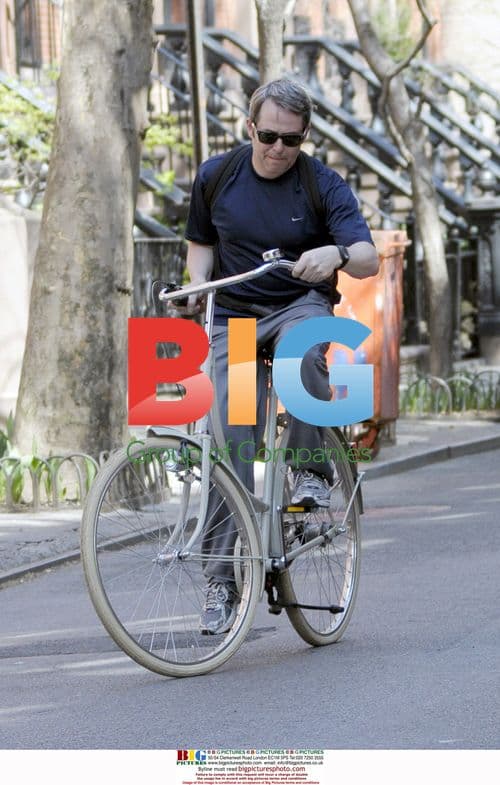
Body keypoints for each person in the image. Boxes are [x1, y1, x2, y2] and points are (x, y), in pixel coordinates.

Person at [184, 77, 378, 634]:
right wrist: (200, 286)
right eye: (268, 135)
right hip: (236, 320)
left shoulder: (321, 184)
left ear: (303, 138)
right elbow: (200, 250)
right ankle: (223, 580)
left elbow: (367, 259)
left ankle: (311, 473)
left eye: (290, 140)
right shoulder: (216, 176)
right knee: (232, 448)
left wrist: (335, 252)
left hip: (297, 305)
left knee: (302, 353)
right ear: (250, 128)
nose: (277, 149)